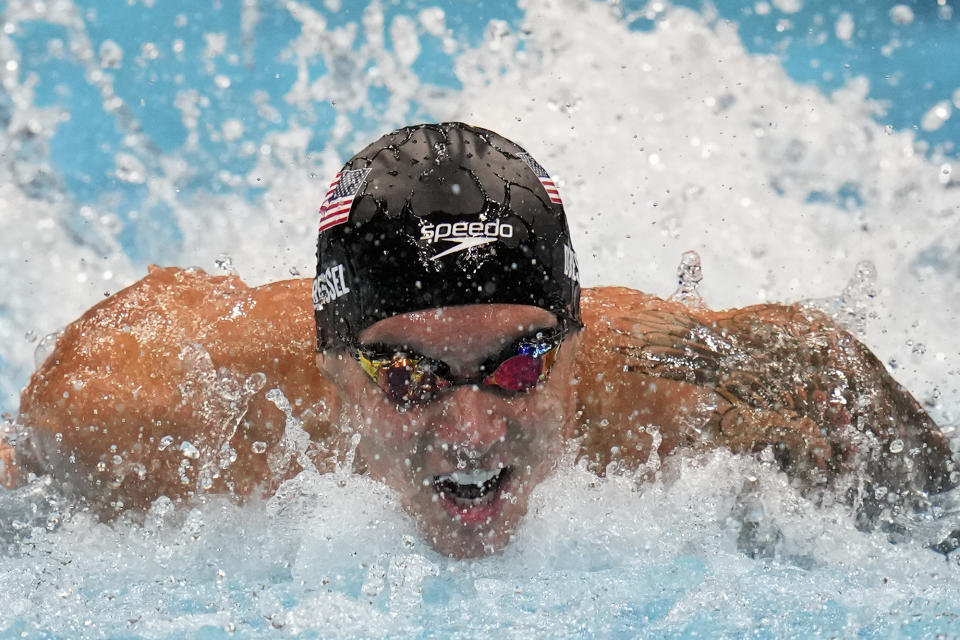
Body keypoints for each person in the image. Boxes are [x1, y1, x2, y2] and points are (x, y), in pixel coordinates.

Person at [3, 122, 956, 558]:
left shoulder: (667, 394)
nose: (469, 431)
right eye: (404, 375)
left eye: (520, 364)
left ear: (578, 346)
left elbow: (828, 372)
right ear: (332, 365)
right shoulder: (149, 411)